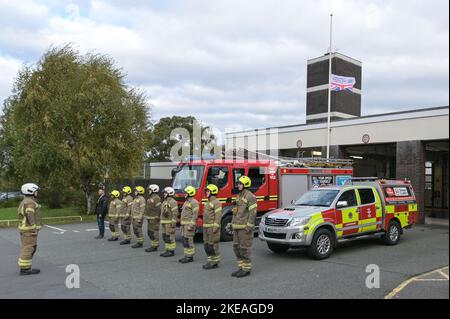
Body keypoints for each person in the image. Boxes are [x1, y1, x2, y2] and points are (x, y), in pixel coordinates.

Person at [231, 176, 257, 278]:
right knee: (236, 248)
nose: (238, 185)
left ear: (245, 185)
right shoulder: (238, 196)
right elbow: (237, 210)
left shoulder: (250, 196)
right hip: (236, 226)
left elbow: (253, 213)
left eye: (240, 184)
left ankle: (246, 269)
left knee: (244, 248)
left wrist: (249, 226)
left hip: (244, 228)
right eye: (238, 183)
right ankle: (241, 267)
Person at [17, 183, 42, 275]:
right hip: (29, 230)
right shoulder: (30, 202)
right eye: (36, 191)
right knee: (28, 248)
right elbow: (29, 215)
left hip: (26, 229)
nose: (37, 193)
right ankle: (25, 269)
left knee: (30, 247)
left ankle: (26, 267)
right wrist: (33, 228)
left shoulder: (26, 201)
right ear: (31, 191)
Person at [202, 184, 222, 270]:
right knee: (207, 245)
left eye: (208, 191)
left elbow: (218, 216)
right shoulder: (208, 202)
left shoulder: (216, 202)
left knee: (213, 245)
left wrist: (215, 227)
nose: (206, 192)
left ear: (213, 192)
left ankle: (214, 262)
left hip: (212, 227)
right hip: (206, 227)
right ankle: (210, 260)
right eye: (206, 191)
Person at [179, 186, 199, 264]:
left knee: (188, 240)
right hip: (184, 224)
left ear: (190, 193)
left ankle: (190, 256)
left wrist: (191, 225)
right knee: (184, 240)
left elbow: (195, 215)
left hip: (188, 224)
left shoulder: (194, 202)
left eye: (186, 192)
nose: (185, 194)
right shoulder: (187, 201)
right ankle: (186, 255)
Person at [160, 187, 179, 257]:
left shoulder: (172, 201)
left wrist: (173, 222)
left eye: (165, 193)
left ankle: (171, 251)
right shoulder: (165, 201)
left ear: (170, 193)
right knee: (165, 237)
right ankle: (167, 250)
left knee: (170, 237)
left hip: (169, 223)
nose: (164, 194)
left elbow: (175, 213)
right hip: (164, 222)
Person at [145, 184, 161, 252]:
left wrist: (157, 216)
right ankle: (153, 245)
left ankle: (155, 246)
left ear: (154, 190)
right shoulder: (150, 198)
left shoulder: (156, 198)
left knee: (154, 232)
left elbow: (159, 208)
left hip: (154, 218)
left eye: (150, 190)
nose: (148, 191)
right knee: (150, 232)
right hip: (150, 218)